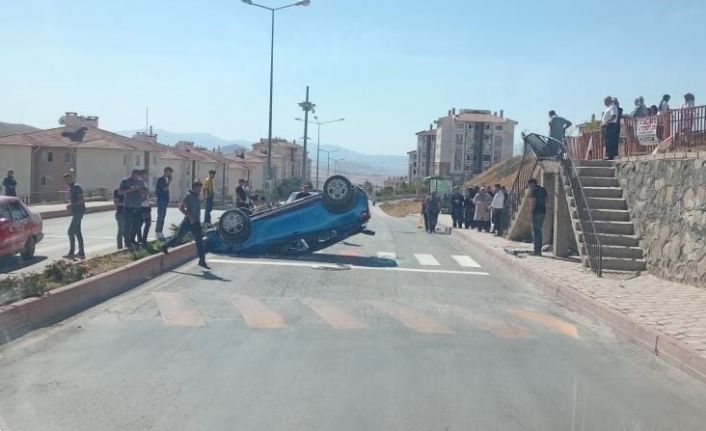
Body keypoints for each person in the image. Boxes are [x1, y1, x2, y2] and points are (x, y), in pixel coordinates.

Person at [161, 180, 209, 269]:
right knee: (178, 237)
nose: (199, 190)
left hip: (196, 223)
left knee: (200, 242)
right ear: (194, 187)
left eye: (200, 188)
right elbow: (181, 207)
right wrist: (189, 216)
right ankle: (165, 246)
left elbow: (197, 205)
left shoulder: (197, 196)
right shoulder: (189, 196)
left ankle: (202, 261)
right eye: (198, 188)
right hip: (188, 222)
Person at [119, 169, 148, 248]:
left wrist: (141, 191)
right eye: (135, 175)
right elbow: (120, 192)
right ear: (132, 174)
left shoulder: (140, 182)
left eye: (137, 175)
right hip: (128, 206)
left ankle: (132, 239)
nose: (136, 177)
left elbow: (145, 192)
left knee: (136, 225)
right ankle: (127, 241)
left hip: (137, 206)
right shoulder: (125, 181)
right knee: (127, 225)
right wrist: (132, 189)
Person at [63, 173, 86, 259]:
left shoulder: (77, 187)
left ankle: (72, 252)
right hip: (76, 212)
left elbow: (82, 200)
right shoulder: (71, 188)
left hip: (79, 212)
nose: (67, 181)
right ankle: (81, 252)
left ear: (72, 179)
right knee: (77, 232)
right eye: (66, 180)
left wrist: (71, 205)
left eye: (68, 179)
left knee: (70, 231)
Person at [527, 178, 548, 256]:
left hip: (536, 213)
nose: (529, 186)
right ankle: (539, 250)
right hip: (543, 212)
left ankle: (536, 251)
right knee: (539, 231)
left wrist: (530, 212)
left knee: (535, 232)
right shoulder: (543, 189)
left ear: (532, 184)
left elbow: (533, 202)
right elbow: (546, 200)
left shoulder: (533, 191)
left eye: (529, 184)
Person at [155, 167, 172, 241]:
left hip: (164, 200)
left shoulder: (165, 180)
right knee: (160, 216)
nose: (170, 174)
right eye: (169, 172)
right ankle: (158, 231)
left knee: (163, 216)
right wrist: (169, 182)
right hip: (161, 200)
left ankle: (160, 231)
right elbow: (164, 189)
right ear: (166, 171)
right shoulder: (161, 179)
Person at [601, 96, 619, 160]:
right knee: (608, 141)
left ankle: (611, 156)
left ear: (609, 100)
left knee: (610, 141)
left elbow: (613, 116)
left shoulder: (613, 107)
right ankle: (609, 155)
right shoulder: (608, 108)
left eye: (605, 101)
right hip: (608, 125)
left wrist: (606, 122)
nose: (604, 103)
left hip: (611, 125)